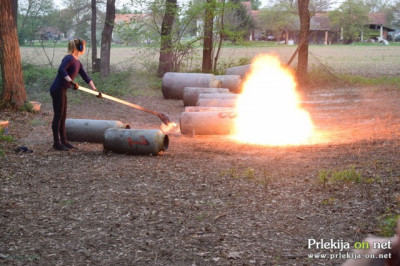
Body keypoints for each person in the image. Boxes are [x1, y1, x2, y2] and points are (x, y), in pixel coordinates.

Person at [49, 38, 97, 151]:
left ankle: (64, 141)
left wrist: (95, 90)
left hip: (63, 90)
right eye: (83, 46)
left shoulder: (78, 62)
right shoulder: (69, 58)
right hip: (57, 89)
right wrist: (71, 82)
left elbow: (86, 77)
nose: (84, 48)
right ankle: (56, 143)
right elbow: (61, 70)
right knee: (58, 115)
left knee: (63, 116)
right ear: (79, 47)